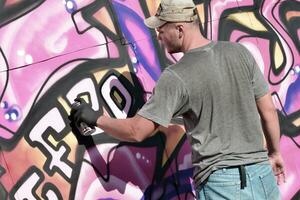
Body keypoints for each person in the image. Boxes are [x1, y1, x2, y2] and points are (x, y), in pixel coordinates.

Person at [69, 0, 285, 199]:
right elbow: (267, 109)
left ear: (179, 29)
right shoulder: (239, 53)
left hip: (222, 184)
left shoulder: (176, 76)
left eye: (161, 29)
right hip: (262, 175)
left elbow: (137, 131)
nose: (158, 36)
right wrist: (274, 153)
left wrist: (95, 118)